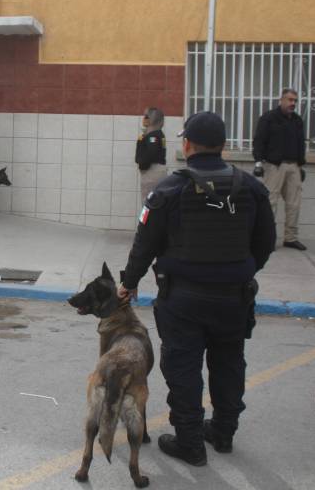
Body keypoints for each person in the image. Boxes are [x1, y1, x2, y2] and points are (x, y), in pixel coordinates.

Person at [118, 111, 276, 466]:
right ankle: (223, 433)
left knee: (183, 368)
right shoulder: (251, 188)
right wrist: (239, 271)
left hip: (183, 299)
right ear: (223, 145)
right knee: (229, 363)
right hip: (234, 297)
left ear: (187, 144)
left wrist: (128, 284)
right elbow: (266, 243)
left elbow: (144, 244)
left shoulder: (170, 189)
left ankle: (190, 442)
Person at [252, 88, 307, 251]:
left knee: (294, 204)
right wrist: (258, 162)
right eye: (289, 100)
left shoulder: (297, 120)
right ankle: (267, 238)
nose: (292, 104)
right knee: (271, 203)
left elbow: (301, 143)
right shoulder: (268, 118)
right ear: (281, 100)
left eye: (295, 101)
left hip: (294, 165)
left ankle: (291, 238)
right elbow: (259, 140)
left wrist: (301, 165)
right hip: (274, 165)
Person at [135, 107, 167, 199]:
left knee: (149, 204)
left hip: (152, 173)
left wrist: (142, 164)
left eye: (146, 117)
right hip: (155, 172)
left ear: (151, 119)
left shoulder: (153, 136)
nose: (144, 119)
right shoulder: (156, 134)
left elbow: (149, 154)